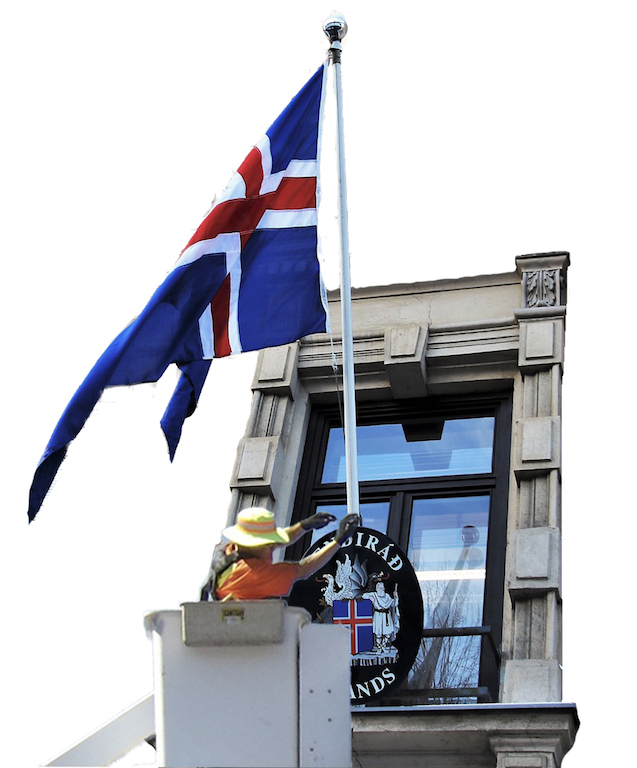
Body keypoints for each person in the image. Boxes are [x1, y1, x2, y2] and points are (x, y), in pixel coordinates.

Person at [199, 507, 359, 602]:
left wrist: (304, 526)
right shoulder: (254, 575)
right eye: (269, 544)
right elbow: (304, 569)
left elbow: (280, 540)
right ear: (254, 544)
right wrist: (338, 540)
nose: (273, 547)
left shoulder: (231, 550)